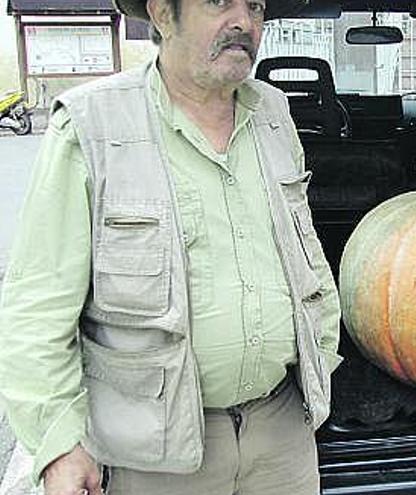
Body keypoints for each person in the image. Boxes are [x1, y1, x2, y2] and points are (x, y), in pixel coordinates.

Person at [0, 0, 342, 493]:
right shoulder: (91, 124)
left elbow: (303, 251)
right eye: (221, 2)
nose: (244, 21)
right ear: (162, 13)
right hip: (153, 450)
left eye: (257, 6)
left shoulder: (273, 112)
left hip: (282, 434)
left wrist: (321, 357)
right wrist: (59, 443)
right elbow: (37, 307)